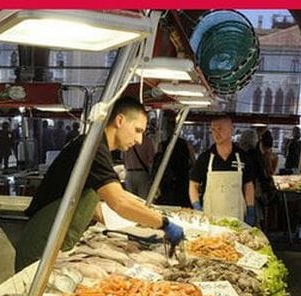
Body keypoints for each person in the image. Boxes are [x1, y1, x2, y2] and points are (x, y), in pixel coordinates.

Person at [14, 96, 184, 271]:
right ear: (120, 120)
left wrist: (140, 225)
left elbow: (92, 206)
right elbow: (120, 202)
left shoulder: (97, 146)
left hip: (55, 241)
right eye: (138, 130)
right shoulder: (93, 148)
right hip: (41, 244)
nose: (140, 140)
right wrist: (163, 223)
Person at [189, 116, 256, 225]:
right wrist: (197, 206)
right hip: (210, 218)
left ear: (231, 129)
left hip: (237, 218)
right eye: (213, 129)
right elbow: (193, 185)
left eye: (220, 129)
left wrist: (250, 209)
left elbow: (248, 186)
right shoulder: (205, 158)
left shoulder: (243, 157)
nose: (216, 133)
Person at [153, 133, 194, 208]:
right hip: (182, 180)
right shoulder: (185, 144)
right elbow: (192, 161)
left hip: (167, 182)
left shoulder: (162, 145)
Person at [236, 129, 265, 226]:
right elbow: (261, 173)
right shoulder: (255, 154)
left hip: (237, 188)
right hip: (252, 189)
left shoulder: (236, 153)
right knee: (253, 218)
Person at [123, 121, 156, 200]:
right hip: (142, 173)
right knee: (143, 200)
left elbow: (123, 157)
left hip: (129, 173)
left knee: (130, 200)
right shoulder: (148, 141)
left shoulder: (128, 139)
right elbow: (151, 159)